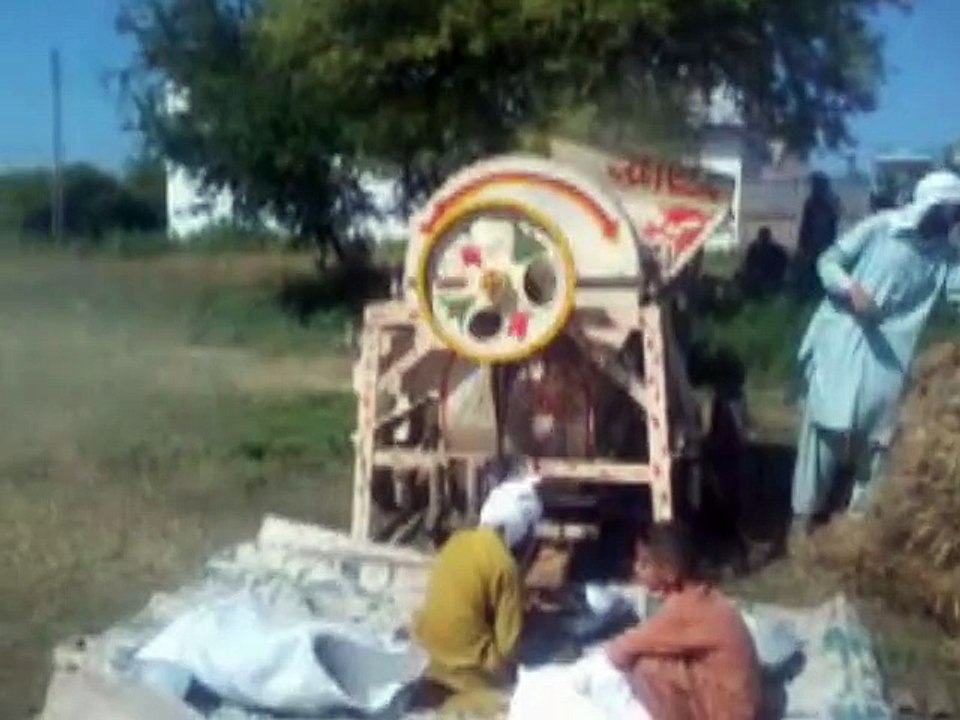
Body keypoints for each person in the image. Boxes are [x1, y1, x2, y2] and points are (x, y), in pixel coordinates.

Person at [791, 170, 960, 534]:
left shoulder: (947, 256)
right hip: (844, 340)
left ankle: (857, 529)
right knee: (825, 428)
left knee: (881, 436)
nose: (953, 219)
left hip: (891, 357)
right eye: (950, 210)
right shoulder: (881, 228)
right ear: (930, 206)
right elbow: (828, 262)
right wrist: (850, 288)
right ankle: (803, 517)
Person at [413, 463, 542, 715]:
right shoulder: (505, 565)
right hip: (468, 669)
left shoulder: (457, 541)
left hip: (431, 654)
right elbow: (508, 647)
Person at [605, 525, 762, 720]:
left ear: (668, 571)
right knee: (666, 660)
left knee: (648, 667)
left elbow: (620, 652)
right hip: (744, 701)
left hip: (732, 712)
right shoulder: (702, 596)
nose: (636, 569)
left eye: (644, 564)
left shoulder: (684, 609)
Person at [795, 172, 840, 298]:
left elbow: (832, 223)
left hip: (825, 243)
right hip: (812, 243)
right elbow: (805, 224)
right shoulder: (811, 202)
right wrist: (802, 243)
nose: (813, 187)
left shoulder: (831, 201)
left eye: (815, 184)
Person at [739, 226, 788, 299]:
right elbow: (747, 264)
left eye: (765, 238)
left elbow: (782, 268)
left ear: (769, 239)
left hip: (770, 277)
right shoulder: (753, 248)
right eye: (762, 238)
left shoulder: (777, 251)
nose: (763, 241)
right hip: (757, 277)